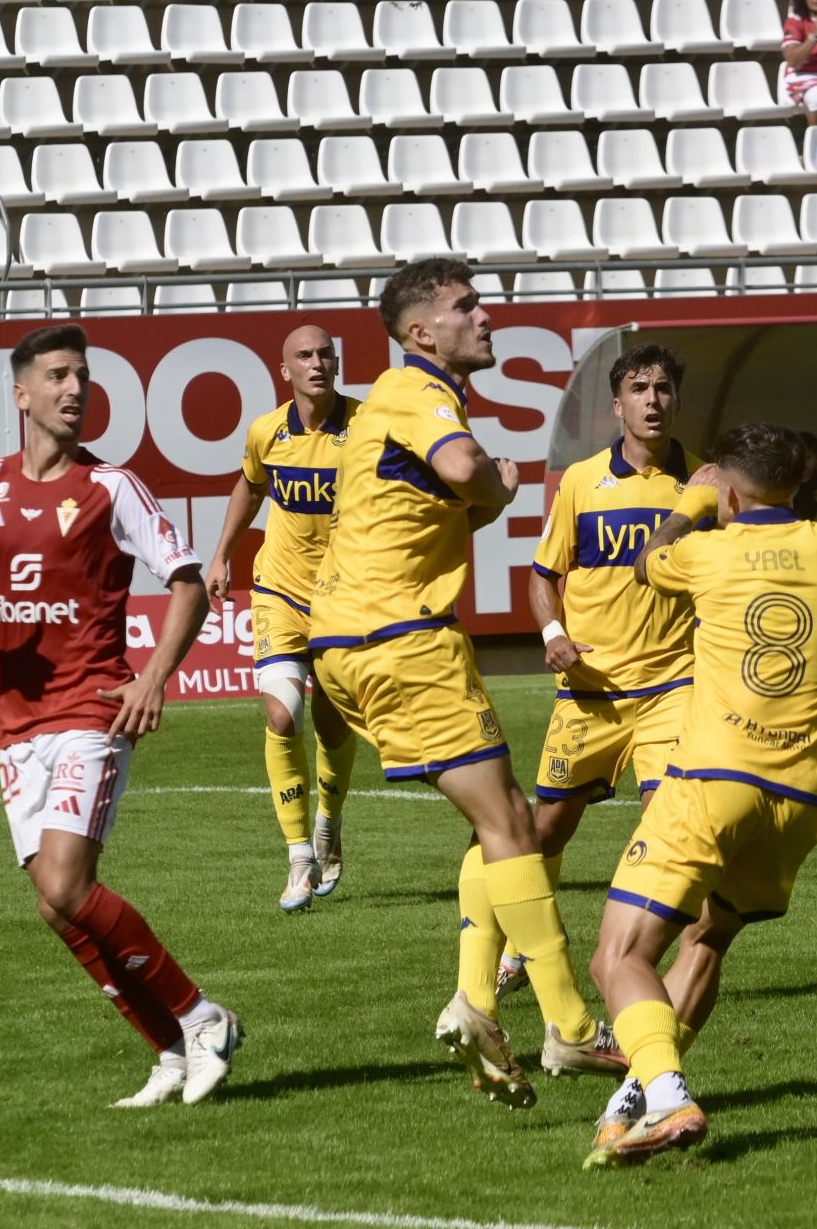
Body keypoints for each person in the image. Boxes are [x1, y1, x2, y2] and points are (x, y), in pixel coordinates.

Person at [309, 259, 623, 1110]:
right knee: (511, 824)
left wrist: (485, 491)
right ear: (420, 333)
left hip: (347, 640)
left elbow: (448, 491)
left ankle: (476, 1004)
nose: (486, 316)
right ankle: (568, 1025)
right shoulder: (419, 394)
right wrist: (497, 484)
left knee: (504, 821)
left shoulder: (395, 404)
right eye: (465, 306)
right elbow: (462, 471)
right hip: (400, 637)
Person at [582, 424, 817, 1167]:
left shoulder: (706, 551)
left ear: (731, 489)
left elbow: (650, 562)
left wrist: (690, 503)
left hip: (713, 781)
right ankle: (632, 1104)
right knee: (707, 938)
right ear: (801, 483)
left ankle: (670, 1095)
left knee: (618, 956)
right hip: (801, 799)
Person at [0, 324, 241, 1109]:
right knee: (52, 903)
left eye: (83, 377)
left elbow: (191, 583)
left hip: (92, 708)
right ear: (21, 393)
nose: (75, 390)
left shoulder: (111, 488)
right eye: (59, 376)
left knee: (68, 882)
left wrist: (154, 678)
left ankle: (204, 1018)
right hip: (19, 721)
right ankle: (166, 1049)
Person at [494, 344, 702, 999]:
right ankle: (517, 943)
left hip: (673, 686)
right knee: (548, 827)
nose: (652, 400)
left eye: (663, 388)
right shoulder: (583, 481)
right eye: (638, 388)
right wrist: (553, 633)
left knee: (664, 821)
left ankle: (630, 957)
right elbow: (542, 576)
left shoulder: (702, 484)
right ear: (617, 405)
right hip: (590, 692)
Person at [203, 325, 360, 912]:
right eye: (304, 356)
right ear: (284, 369)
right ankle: (298, 856)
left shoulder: (367, 429)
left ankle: (329, 821)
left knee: (332, 722)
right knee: (282, 711)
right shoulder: (266, 431)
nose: (317, 362)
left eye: (325, 353)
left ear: (336, 362)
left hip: (344, 600)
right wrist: (221, 554)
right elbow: (249, 487)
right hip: (278, 591)